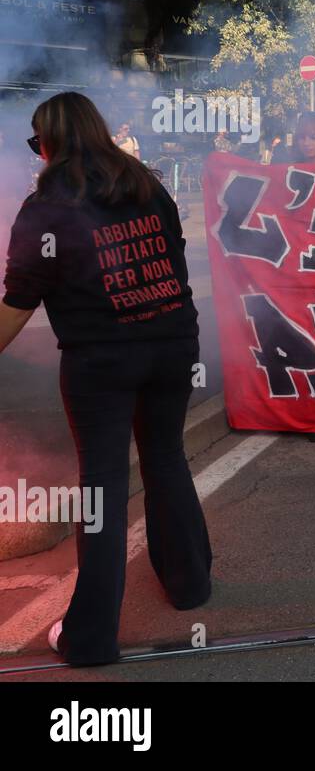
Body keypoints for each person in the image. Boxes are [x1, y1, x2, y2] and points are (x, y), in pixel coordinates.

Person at [0, 92, 209, 665]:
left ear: (49, 142)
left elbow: (18, 300)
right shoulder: (148, 185)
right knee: (166, 457)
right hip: (172, 345)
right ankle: (190, 584)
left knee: (103, 486)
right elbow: (174, 260)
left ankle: (90, 636)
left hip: (101, 361)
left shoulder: (46, 207)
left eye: (36, 142)